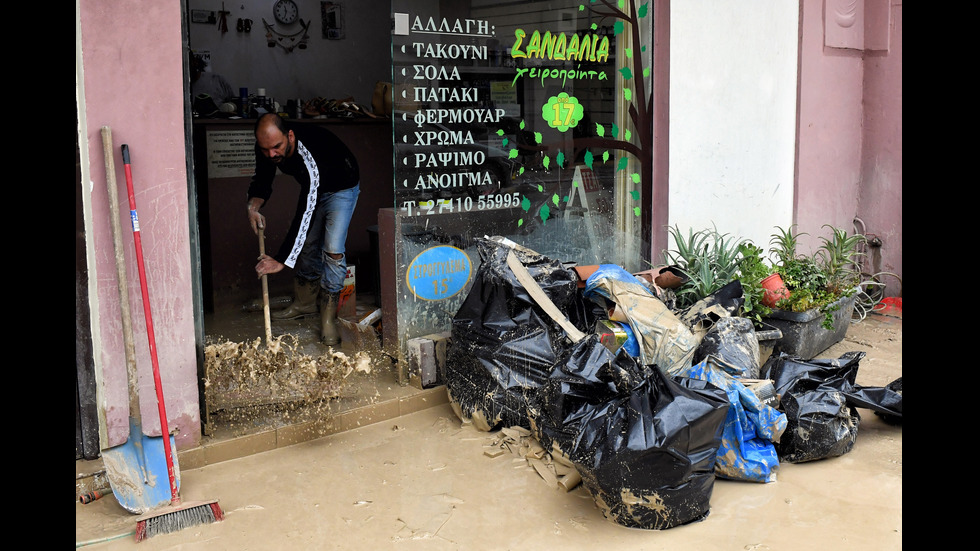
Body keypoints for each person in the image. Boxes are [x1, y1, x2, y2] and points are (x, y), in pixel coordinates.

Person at [246, 113, 360, 345]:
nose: (271, 154)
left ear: (289, 136)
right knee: (308, 243)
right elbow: (263, 178)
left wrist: (282, 260)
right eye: (266, 149)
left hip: (341, 188)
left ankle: (328, 318)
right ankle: (305, 303)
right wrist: (253, 205)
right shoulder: (267, 147)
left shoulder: (308, 154)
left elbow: (305, 210)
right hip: (315, 187)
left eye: (277, 147)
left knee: (333, 250)